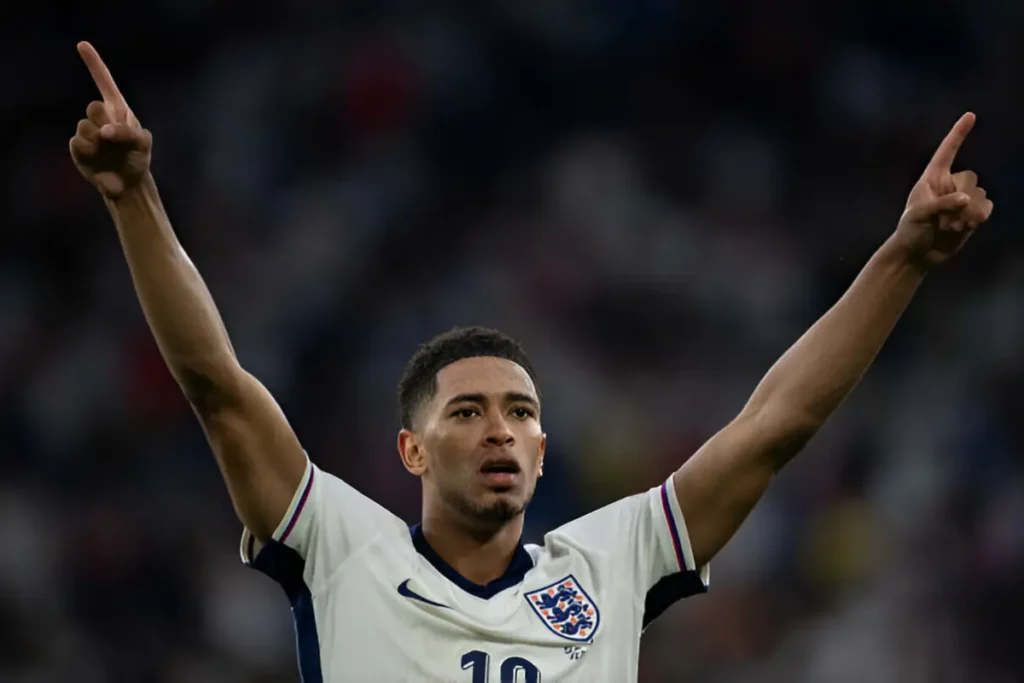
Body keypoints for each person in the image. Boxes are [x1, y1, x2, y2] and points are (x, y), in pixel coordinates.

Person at [69, 40, 994, 682]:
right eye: (466, 411)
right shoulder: (342, 548)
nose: (500, 428)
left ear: (544, 452)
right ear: (412, 451)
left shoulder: (607, 563)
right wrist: (133, 195)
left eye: (519, 410)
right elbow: (217, 386)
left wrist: (904, 256)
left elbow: (774, 425)